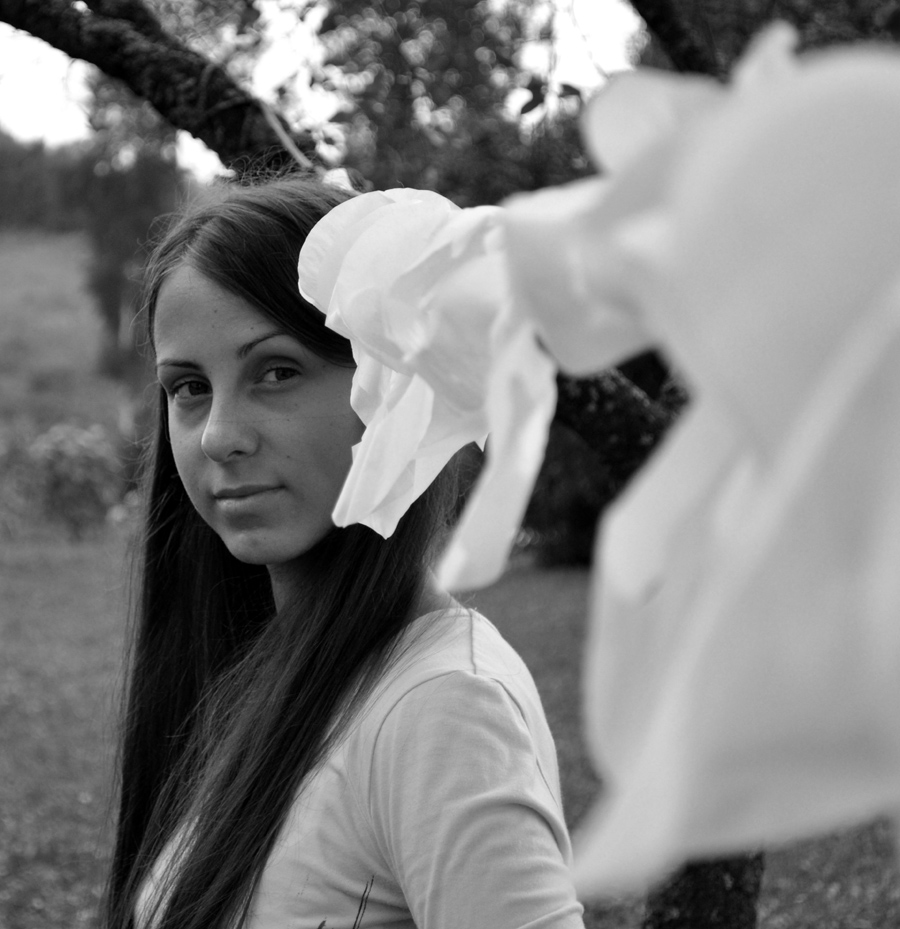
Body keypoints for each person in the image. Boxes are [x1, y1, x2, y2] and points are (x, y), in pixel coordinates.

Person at [103, 174, 585, 929]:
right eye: (189, 387)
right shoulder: (257, 670)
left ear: (395, 387)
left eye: (277, 371)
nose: (219, 436)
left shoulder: (445, 707)